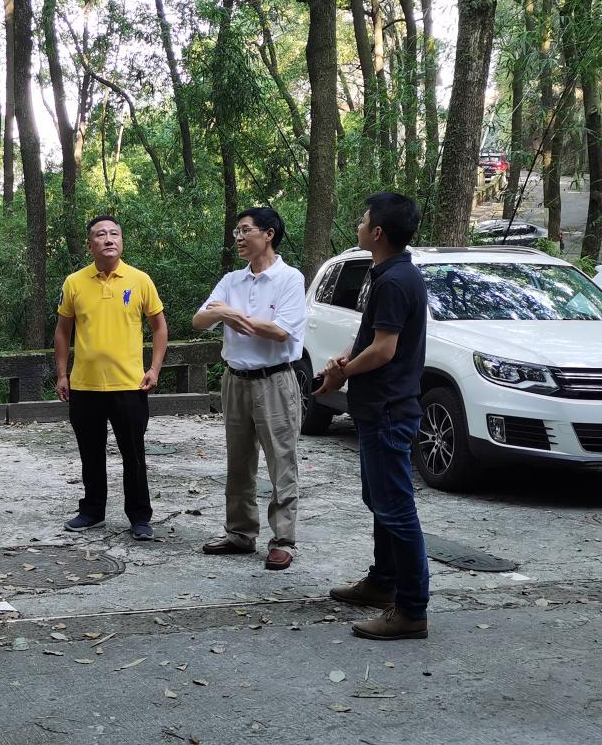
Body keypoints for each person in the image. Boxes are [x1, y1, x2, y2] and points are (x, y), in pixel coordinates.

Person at [316, 192, 430, 640]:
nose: (358, 226)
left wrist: (342, 373)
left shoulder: (396, 280)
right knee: (380, 501)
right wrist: (343, 359)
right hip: (378, 407)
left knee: (397, 510)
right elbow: (370, 337)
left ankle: (411, 610)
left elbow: (384, 350)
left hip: (387, 409)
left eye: (363, 220)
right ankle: (383, 583)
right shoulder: (387, 274)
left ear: (378, 232)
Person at [191, 207, 307, 570]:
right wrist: (223, 313)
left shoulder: (289, 278)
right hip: (235, 380)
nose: (239, 238)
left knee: (281, 460)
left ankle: (283, 539)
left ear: (268, 234)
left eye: (245, 230)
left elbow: (281, 331)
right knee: (238, 461)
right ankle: (240, 533)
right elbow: (199, 320)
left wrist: (231, 314)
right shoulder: (231, 281)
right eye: (236, 232)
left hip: (275, 380)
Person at [54, 214, 168, 541]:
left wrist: (154, 368)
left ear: (122, 241)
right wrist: (62, 373)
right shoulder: (74, 282)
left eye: (114, 234)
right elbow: (62, 331)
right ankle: (92, 511)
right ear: (89, 244)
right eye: (100, 234)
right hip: (85, 385)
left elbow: (159, 327)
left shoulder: (140, 280)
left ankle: (140, 517)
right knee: (90, 453)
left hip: (130, 384)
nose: (108, 239)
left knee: (134, 455)